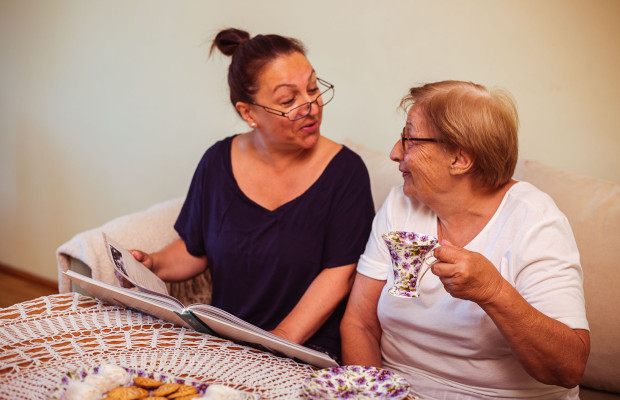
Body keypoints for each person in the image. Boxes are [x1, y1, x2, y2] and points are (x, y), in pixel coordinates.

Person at [130, 28, 374, 361]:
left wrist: (280, 339)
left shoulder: (346, 172)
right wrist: (153, 263)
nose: (311, 107)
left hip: (305, 350)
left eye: (313, 89)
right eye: (289, 100)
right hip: (225, 342)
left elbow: (340, 274)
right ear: (248, 113)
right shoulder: (217, 161)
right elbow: (195, 249)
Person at [340, 80, 589, 399]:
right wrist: (378, 395)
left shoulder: (535, 221)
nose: (394, 152)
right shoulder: (402, 202)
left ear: (460, 159)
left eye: (409, 139)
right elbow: (359, 321)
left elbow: (568, 369)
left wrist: (493, 291)